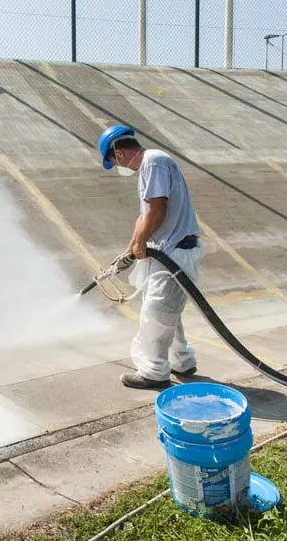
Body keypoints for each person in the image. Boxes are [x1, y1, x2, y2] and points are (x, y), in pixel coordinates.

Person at [97, 124, 205, 390]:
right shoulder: (151, 165)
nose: (118, 167)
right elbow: (143, 217)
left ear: (118, 153)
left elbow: (157, 210)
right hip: (170, 252)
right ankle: (182, 361)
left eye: (113, 162)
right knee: (170, 311)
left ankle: (154, 372)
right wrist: (130, 249)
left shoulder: (153, 162)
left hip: (175, 252)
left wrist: (142, 242)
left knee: (157, 312)